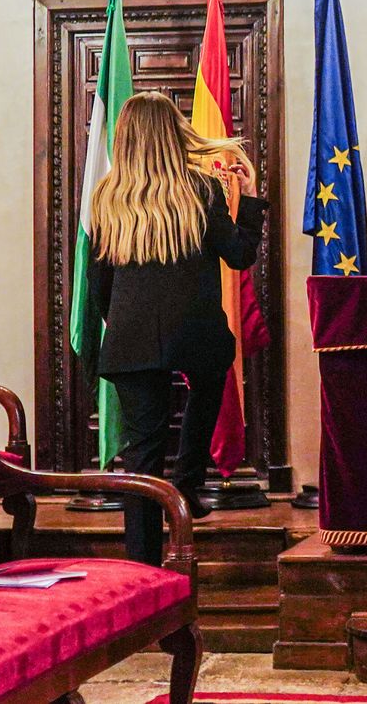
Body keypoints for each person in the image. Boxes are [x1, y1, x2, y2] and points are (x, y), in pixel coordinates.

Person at [86, 92, 268, 566]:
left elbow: (97, 281)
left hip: (131, 339)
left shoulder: (107, 197)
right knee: (211, 376)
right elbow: (241, 256)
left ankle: (142, 569)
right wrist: (247, 200)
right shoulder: (202, 189)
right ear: (174, 134)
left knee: (141, 459)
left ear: (126, 139)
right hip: (198, 334)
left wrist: (124, 325)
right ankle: (187, 481)